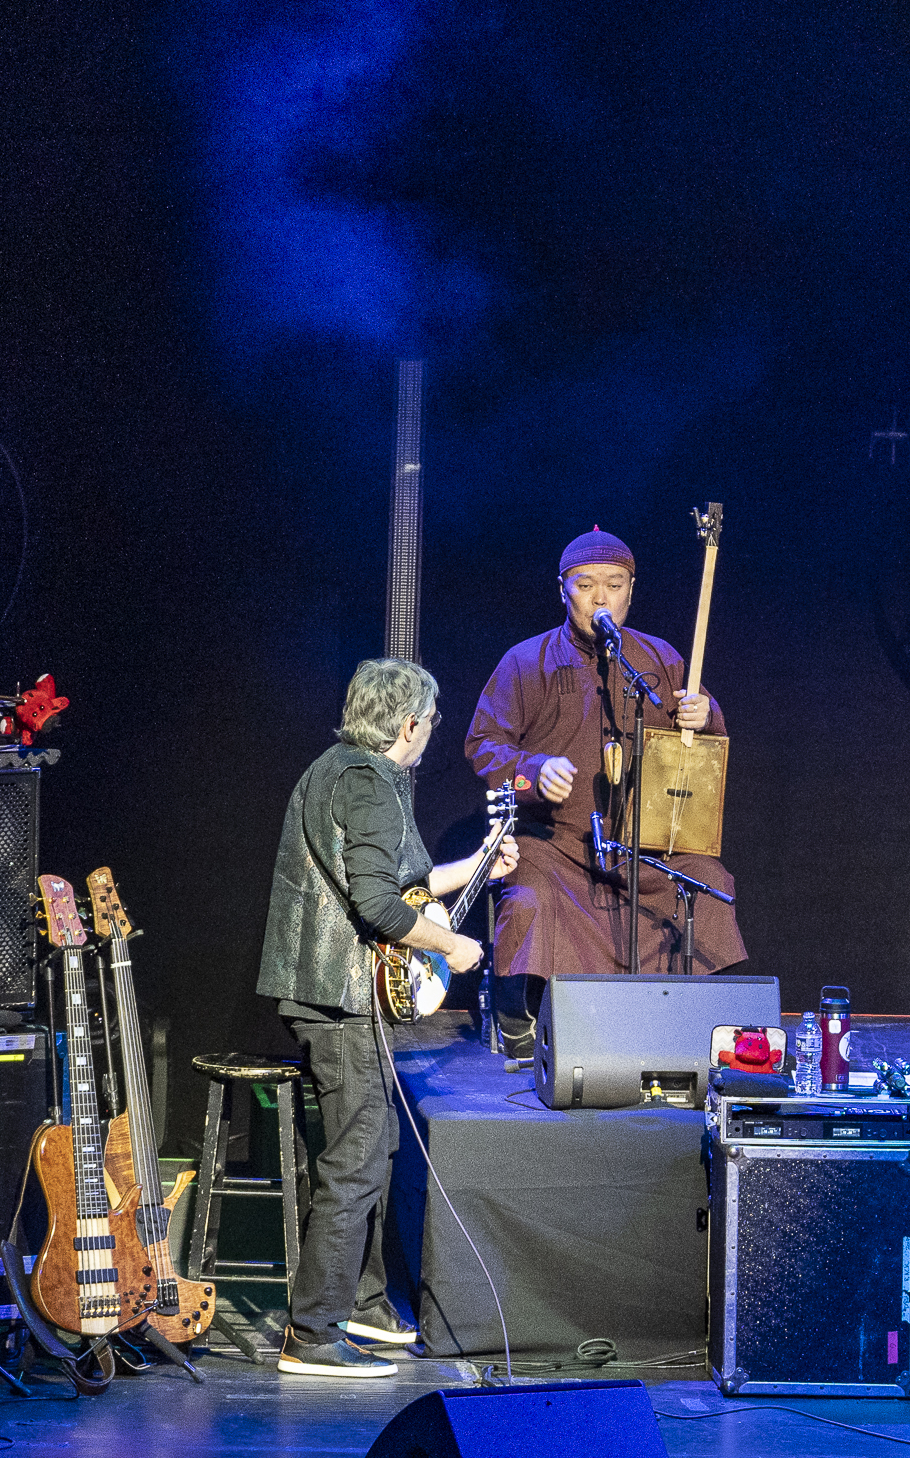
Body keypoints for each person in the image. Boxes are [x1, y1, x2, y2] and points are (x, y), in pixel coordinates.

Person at [258, 658, 518, 1377]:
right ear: (409, 724)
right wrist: (454, 945)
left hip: (335, 995)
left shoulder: (343, 770)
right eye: (431, 721)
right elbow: (377, 908)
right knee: (359, 1157)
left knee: (376, 1149)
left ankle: (363, 1305)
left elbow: (399, 883)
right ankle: (311, 1334)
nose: (433, 733)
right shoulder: (367, 783)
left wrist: (477, 867)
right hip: (338, 999)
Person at [465, 527, 746, 1057]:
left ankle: (703, 1031)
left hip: (642, 844)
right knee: (532, 897)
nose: (600, 598)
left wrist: (706, 717)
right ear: (563, 590)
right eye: (585, 584)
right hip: (557, 843)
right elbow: (482, 744)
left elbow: (706, 745)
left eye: (614, 584)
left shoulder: (659, 661)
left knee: (706, 881)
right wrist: (532, 770)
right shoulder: (527, 661)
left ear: (631, 590)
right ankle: (518, 1016)